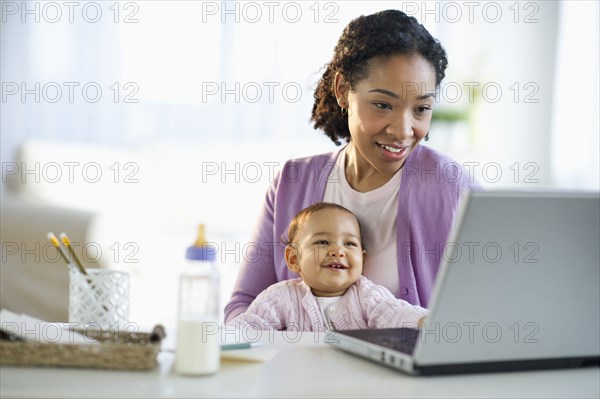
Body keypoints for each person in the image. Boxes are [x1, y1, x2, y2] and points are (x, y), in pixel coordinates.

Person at [224, 9, 480, 323]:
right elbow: (242, 308)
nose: (403, 130)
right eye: (383, 105)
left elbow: (485, 311)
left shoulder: (451, 186)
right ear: (343, 90)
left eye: (421, 109)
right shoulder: (293, 182)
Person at [228, 203, 428, 331]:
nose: (337, 251)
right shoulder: (280, 297)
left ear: (362, 258)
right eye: (323, 242)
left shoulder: (367, 295)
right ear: (293, 257)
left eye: (349, 244)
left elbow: (395, 314)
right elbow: (249, 326)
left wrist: (425, 321)